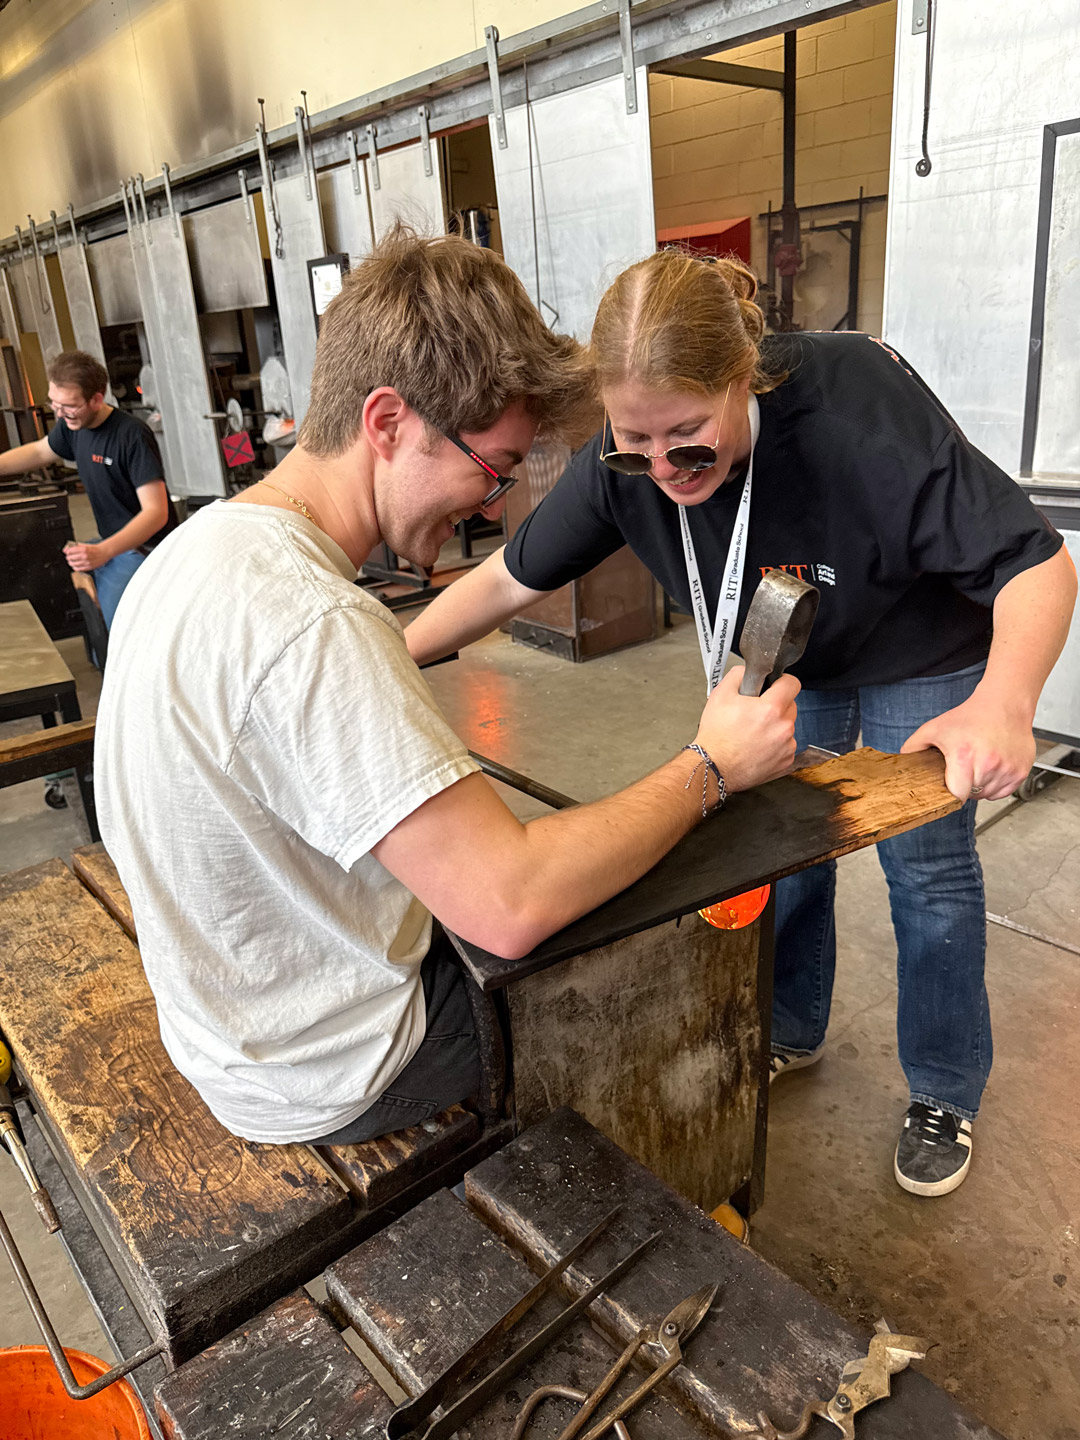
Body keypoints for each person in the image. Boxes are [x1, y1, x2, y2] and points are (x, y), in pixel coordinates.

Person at [95, 230, 799, 1149]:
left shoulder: (191, 553)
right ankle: (656, 1210)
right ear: (388, 422)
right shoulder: (313, 622)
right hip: (340, 1071)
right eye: (493, 468)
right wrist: (712, 765)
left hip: (232, 1032)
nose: (493, 503)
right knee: (653, 954)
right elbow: (510, 905)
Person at [405, 248, 1077, 1198]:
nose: (663, 471)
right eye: (634, 443)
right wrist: (386, 656)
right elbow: (512, 576)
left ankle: (944, 1087)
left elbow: (1037, 563)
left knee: (926, 875)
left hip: (920, 648)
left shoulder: (854, 414)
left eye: (687, 438)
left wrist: (1004, 703)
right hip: (797, 651)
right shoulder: (625, 461)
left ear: (742, 378)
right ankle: (790, 1028)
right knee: (779, 850)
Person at [0, 350, 176, 630]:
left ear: (97, 398)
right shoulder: (72, 426)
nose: (59, 412)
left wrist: (104, 552)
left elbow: (156, 513)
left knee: (117, 629)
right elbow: (39, 451)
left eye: (69, 405)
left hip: (144, 549)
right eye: (54, 403)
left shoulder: (131, 435)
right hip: (111, 543)